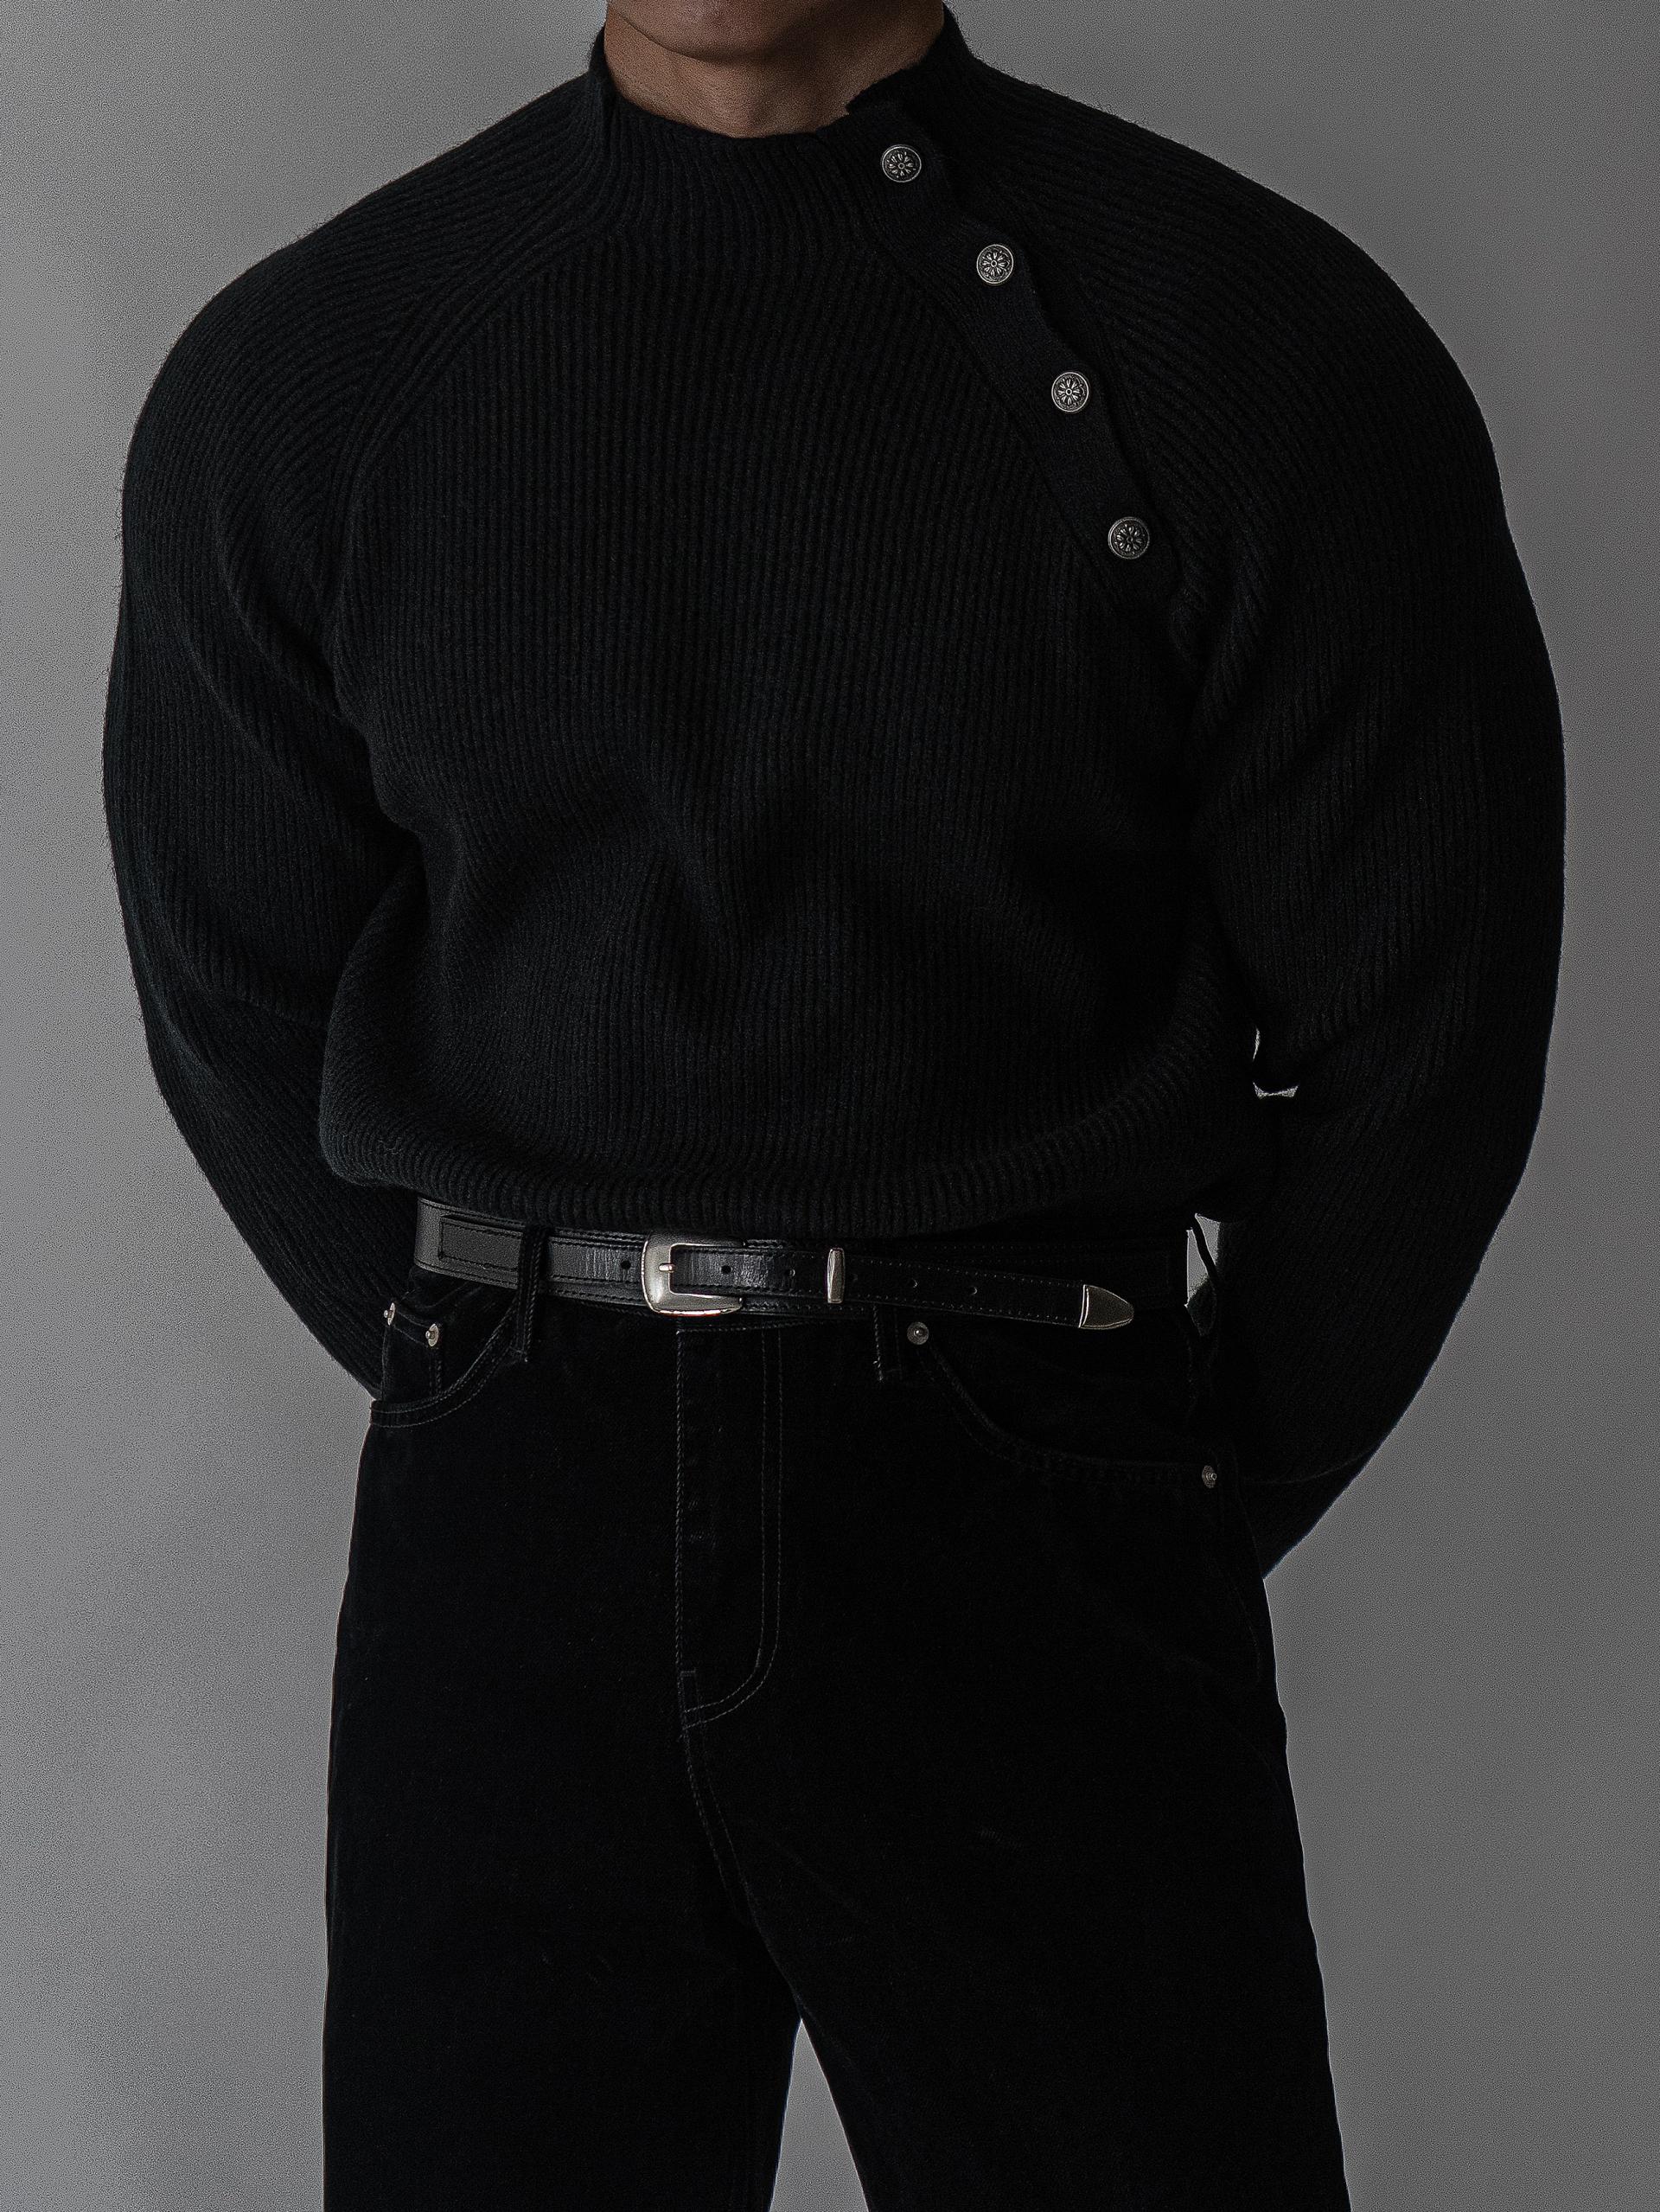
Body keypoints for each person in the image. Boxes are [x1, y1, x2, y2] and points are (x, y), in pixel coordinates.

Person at [100, 2, 1566, 2203]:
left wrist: (1141, 1480)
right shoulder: (315, 376)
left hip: (1036, 1484)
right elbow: (235, 997)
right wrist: (497, 1364)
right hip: (515, 1546)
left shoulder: (1253, 347)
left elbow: (1425, 1025)